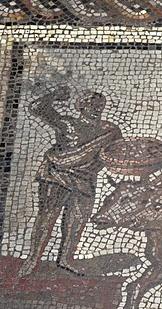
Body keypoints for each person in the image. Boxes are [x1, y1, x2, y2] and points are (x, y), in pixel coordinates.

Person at [18, 86, 122, 277]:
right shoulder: (67, 123)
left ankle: (65, 258)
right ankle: (33, 258)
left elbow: (118, 153)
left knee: (77, 220)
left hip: (86, 179)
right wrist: (54, 95)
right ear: (80, 105)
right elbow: (36, 107)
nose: (96, 107)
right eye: (91, 102)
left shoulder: (110, 130)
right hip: (57, 173)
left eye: (100, 104)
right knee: (47, 216)